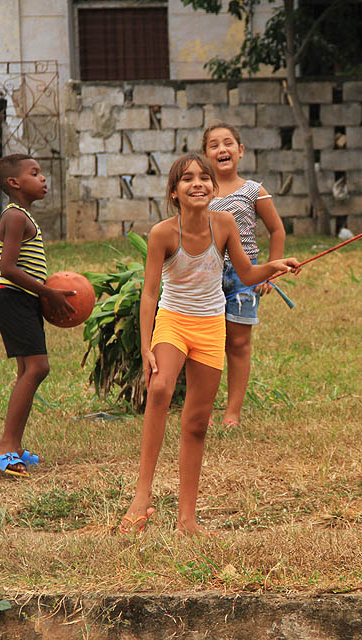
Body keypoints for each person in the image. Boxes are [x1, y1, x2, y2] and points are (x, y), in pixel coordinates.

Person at [120, 153, 300, 535]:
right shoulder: (162, 234)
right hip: (172, 321)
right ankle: (142, 496)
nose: (198, 183)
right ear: (174, 191)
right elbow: (151, 293)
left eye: (204, 178)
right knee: (160, 388)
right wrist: (146, 346)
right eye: (187, 179)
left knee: (197, 423)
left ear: (213, 189)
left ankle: (187, 520)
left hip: (211, 326)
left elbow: (247, 272)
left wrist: (276, 266)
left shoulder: (225, 223)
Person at [0, 154, 75, 477]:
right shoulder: (14, 216)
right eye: (34, 173)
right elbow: (8, 270)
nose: (43, 178)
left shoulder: (22, 217)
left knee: (29, 369)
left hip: (21, 300)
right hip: (13, 299)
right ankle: (6, 446)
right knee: (38, 367)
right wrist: (47, 292)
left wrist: (39, 297)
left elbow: (4, 265)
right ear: (14, 182)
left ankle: (14, 442)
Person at [203, 123, 287, 428]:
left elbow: (277, 230)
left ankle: (232, 414)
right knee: (207, 343)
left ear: (240, 151)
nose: (221, 149)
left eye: (228, 143)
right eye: (214, 145)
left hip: (244, 273)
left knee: (238, 343)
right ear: (205, 154)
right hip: (206, 274)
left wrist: (271, 271)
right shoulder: (200, 189)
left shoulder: (254, 190)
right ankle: (205, 410)